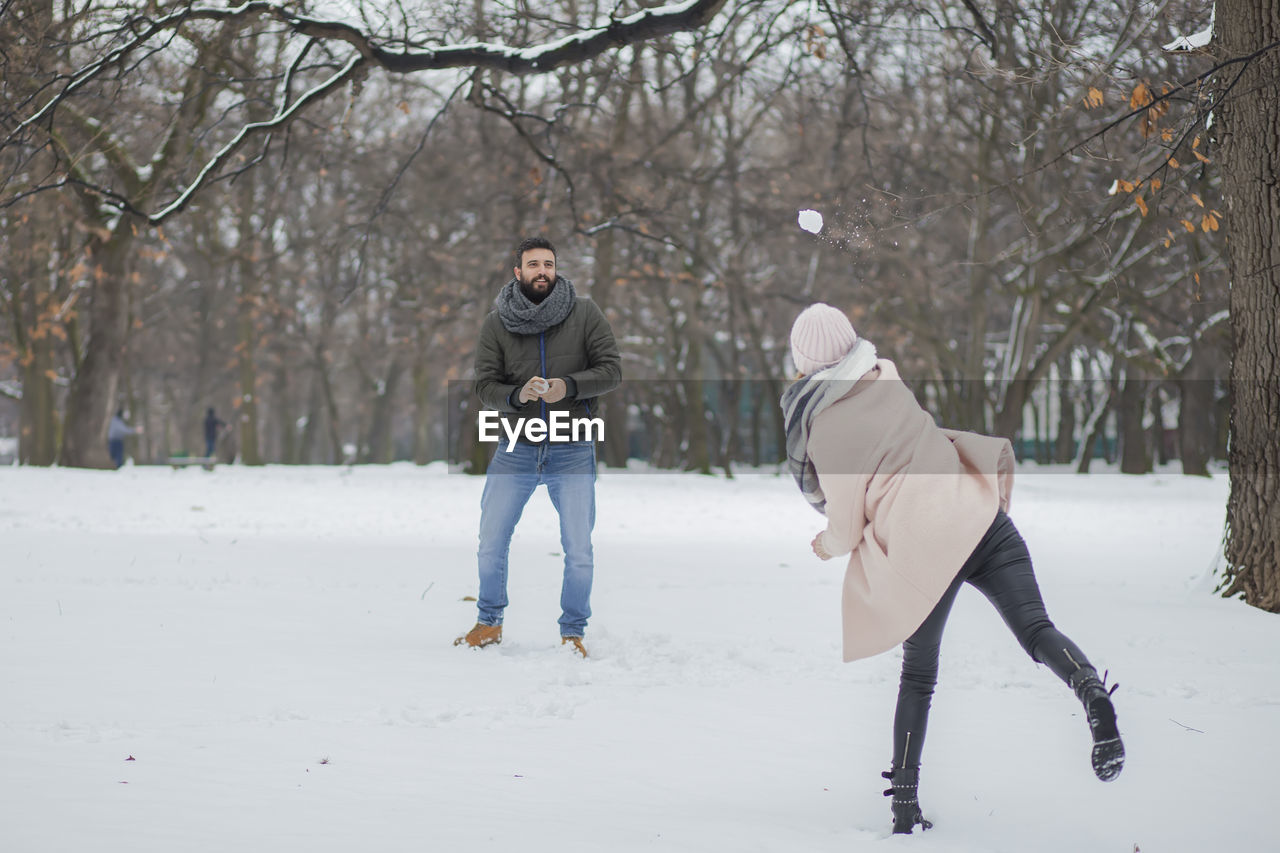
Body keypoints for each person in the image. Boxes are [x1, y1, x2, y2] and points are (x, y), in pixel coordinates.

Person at [780, 303, 1123, 835]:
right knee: (1036, 628)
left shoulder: (824, 429)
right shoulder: (886, 376)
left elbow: (847, 526)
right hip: (978, 515)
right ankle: (1089, 690)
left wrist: (826, 544)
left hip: (925, 550)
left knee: (917, 677)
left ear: (803, 362)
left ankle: (904, 809)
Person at [455, 237, 622, 658]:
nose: (542, 270)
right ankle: (488, 624)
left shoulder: (584, 313)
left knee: (579, 548)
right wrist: (517, 395)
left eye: (548, 263)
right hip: (516, 447)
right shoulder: (497, 323)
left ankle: (573, 633)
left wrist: (569, 386)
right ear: (518, 273)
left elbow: (612, 371)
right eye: (533, 264)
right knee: (491, 540)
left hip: (572, 447)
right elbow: (484, 385)